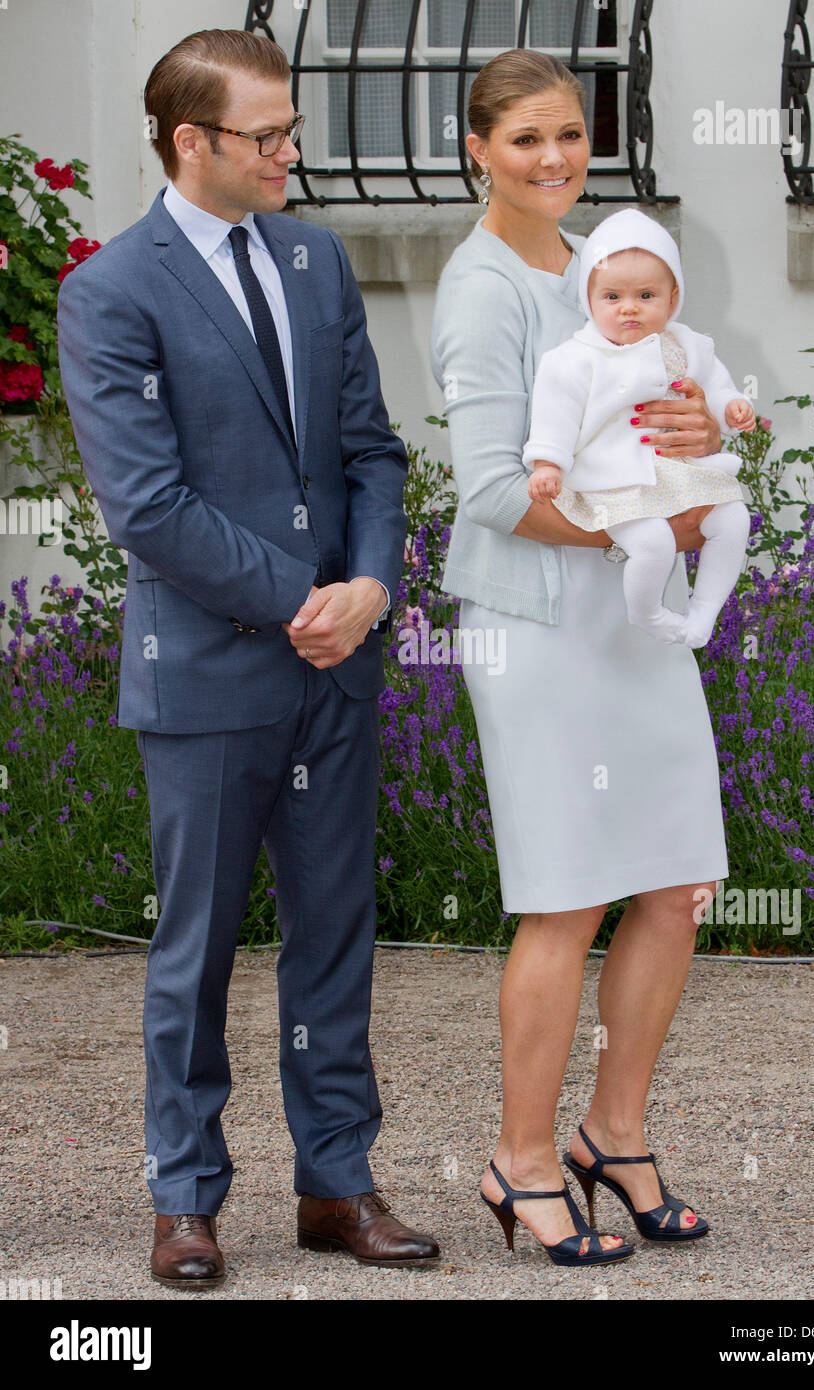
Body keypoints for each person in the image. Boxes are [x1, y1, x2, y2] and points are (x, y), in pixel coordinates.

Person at [57, 28, 439, 1286]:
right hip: (211, 676)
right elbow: (147, 508)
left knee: (336, 937)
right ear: (191, 142)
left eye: (292, 131)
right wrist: (307, 598)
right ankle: (186, 1198)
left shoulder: (316, 258)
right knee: (197, 948)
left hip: (333, 667)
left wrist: (372, 587)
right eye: (268, 135)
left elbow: (372, 450)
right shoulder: (112, 288)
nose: (292, 152)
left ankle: (337, 1188)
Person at [431, 48, 730, 1262]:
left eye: (569, 137)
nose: (553, 160)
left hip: (633, 615)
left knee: (672, 883)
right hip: (542, 626)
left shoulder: (606, 264)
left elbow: (674, 413)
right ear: (476, 151)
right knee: (565, 895)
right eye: (524, 142)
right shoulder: (484, 288)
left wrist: (701, 429)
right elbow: (496, 490)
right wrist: (652, 525)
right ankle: (517, 1159)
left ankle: (614, 1133)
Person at [524, 208, 755, 648]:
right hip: (613, 479)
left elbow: (716, 385)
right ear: (588, 301)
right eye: (612, 297)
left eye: (646, 295)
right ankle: (647, 613)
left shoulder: (689, 344)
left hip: (677, 471)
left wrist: (733, 408)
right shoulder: (574, 359)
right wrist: (548, 464)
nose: (629, 307)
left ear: (672, 300)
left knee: (733, 519)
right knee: (653, 544)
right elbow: (555, 414)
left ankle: (703, 613)